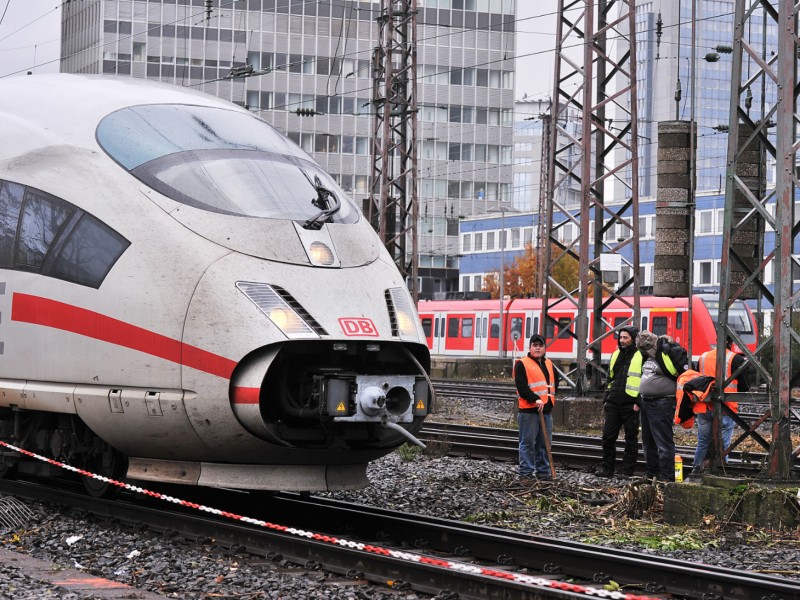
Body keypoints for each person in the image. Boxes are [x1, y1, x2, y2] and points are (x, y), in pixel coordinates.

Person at [691, 338, 752, 476]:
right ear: (731, 343)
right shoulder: (735, 359)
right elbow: (745, 387)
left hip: (705, 405)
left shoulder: (703, 357)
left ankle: (696, 469)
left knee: (703, 442)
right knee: (724, 444)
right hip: (726, 408)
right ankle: (722, 472)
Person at [636, 331, 689, 481]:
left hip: (661, 402)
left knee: (663, 442)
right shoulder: (647, 355)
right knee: (648, 441)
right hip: (646, 402)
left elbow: (680, 373)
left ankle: (667, 476)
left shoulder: (666, 353)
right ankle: (652, 472)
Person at [596, 326, 642, 478]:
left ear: (633, 339)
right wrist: (606, 398)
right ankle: (607, 469)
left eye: (625, 338)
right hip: (614, 403)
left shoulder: (641, 355)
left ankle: (627, 471)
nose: (622, 340)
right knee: (608, 437)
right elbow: (610, 378)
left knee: (631, 439)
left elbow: (644, 381)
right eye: (621, 337)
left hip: (631, 404)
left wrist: (638, 402)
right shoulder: (615, 354)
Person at [514, 333, 557, 481]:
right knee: (527, 443)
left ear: (545, 348)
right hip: (529, 411)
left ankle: (543, 472)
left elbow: (552, 384)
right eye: (535, 345)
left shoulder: (549, 364)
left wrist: (548, 402)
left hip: (545, 411)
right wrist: (535, 399)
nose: (538, 348)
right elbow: (521, 386)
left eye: (540, 345)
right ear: (530, 347)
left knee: (544, 444)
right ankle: (526, 474)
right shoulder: (522, 363)